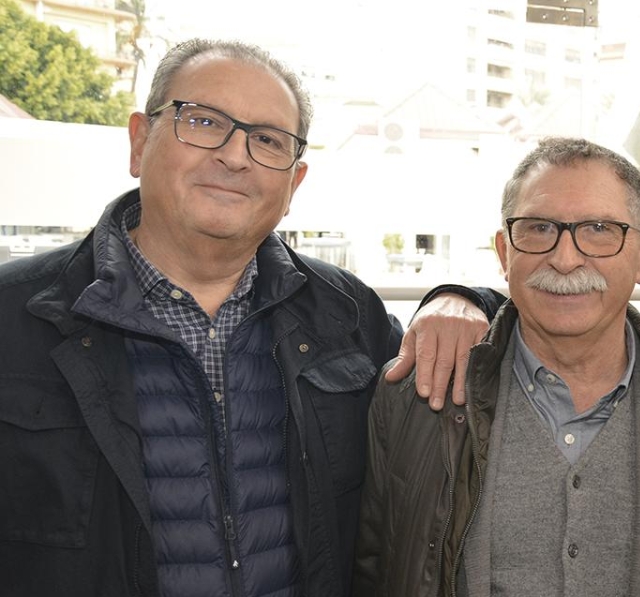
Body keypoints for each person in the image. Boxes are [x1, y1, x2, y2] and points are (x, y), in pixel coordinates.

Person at [0, 38, 494, 597]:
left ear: (293, 185)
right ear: (139, 142)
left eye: (266, 140)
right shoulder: (16, 317)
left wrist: (467, 297)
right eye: (205, 121)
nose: (235, 156)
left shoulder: (348, 315)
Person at [353, 137, 640, 597]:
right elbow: (374, 568)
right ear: (505, 254)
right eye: (539, 228)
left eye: (600, 229)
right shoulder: (417, 397)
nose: (565, 259)